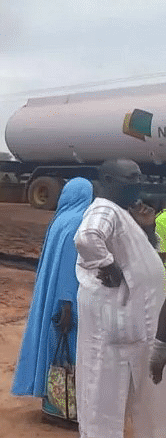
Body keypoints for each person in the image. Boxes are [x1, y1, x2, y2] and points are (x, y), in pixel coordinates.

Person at [74, 159, 166, 438]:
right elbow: (87, 237)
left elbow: (146, 254)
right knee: (102, 400)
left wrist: (148, 228)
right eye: (131, 178)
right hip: (113, 325)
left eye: (139, 177)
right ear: (109, 181)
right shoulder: (104, 208)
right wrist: (106, 265)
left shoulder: (122, 212)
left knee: (148, 399)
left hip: (134, 327)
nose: (138, 183)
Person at [11, 177, 93, 418]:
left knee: (52, 348)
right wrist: (67, 304)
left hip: (52, 297)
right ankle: (65, 407)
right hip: (66, 300)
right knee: (69, 351)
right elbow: (69, 267)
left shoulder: (60, 220)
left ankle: (52, 401)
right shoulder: (79, 222)